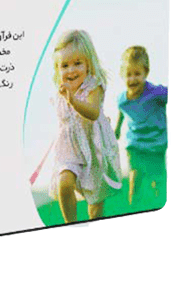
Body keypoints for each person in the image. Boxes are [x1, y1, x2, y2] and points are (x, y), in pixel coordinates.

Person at [48, 29, 122, 223]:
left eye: (77, 63)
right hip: (69, 151)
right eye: (65, 66)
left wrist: (73, 101)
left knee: (95, 205)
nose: (71, 70)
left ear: (88, 64)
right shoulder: (60, 93)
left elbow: (93, 112)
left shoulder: (92, 86)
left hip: (94, 150)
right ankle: (70, 223)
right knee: (64, 182)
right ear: (57, 69)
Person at [114, 46, 168, 207]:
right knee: (135, 178)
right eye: (128, 75)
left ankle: (157, 204)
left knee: (157, 182)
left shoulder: (156, 93)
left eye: (137, 74)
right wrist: (117, 129)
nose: (132, 79)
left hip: (156, 145)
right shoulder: (122, 99)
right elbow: (121, 111)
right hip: (135, 145)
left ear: (146, 73)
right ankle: (133, 207)